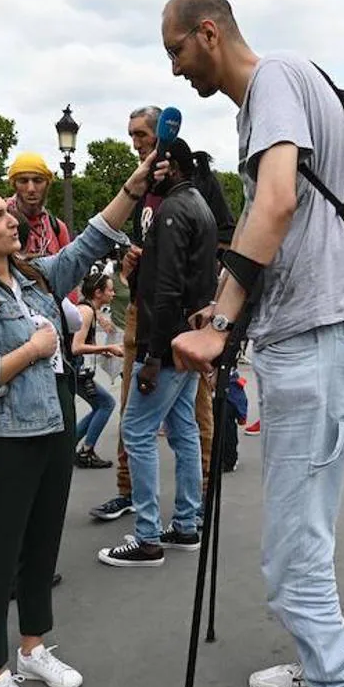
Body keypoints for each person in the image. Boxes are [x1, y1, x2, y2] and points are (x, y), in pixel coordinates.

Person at [164, 0, 344, 687]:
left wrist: (220, 323)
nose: (176, 70)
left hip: (317, 337)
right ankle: (321, 668)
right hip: (319, 331)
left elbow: (278, 201)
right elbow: (286, 223)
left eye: (177, 50)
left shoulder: (273, 82)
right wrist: (232, 298)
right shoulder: (289, 82)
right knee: (300, 533)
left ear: (208, 33)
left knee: (292, 545)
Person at [0, 154, 152, 687]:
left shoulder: (31, 277)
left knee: (40, 547)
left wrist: (134, 184)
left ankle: (31, 648)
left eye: (8, 212)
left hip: (53, 427)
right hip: (4, 438)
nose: (11, 217)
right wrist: (30, 351)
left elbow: (88, 242)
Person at [89, 107, 233, 523]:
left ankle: (181, 510)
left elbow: (217, 244)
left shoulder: (186, 190)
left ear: (163, 140)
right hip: (146, 306)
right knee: (151, 409)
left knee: (172, 415)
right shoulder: (143, 189)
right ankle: (157, 503)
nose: (135, 144)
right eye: (131, 135)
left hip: (176, 317)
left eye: (141, 135)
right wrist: (135, 260)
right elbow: (151, 252)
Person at [72, 272, 123, 468]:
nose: (113, 294)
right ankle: (86, 451)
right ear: (98, 292)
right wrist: (106, 348)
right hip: (75, 371)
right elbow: (76, 347)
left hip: (78, 371)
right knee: (107, 403)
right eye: (109, 290)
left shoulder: (90, 310)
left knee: (101, 404)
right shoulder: (87, 311)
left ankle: (73, 447)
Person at [7, 152, 72, 259]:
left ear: (47, 184)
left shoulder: (58, 228)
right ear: (14, 185)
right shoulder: (0, 220)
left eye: (38, 181)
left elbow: (67, 270)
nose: (31, 189)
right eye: (23, 181)